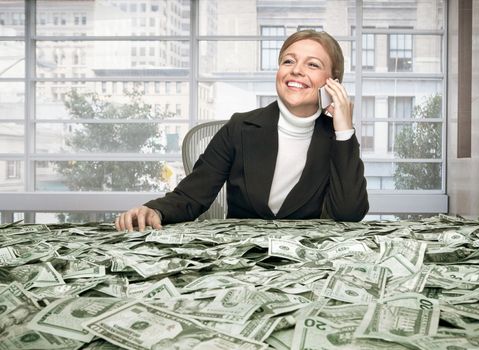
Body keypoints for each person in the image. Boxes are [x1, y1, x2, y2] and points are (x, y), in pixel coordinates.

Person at [116, 30, 369, 232]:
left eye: (312, 64)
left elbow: (348, 213)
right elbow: (192, 195)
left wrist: (344, 129)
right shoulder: (240, 128)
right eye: (288, 61)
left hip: (305, 266)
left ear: (333, 81)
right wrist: (154, 211)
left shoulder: (337, 139)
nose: (296, 70)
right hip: (243, 260)